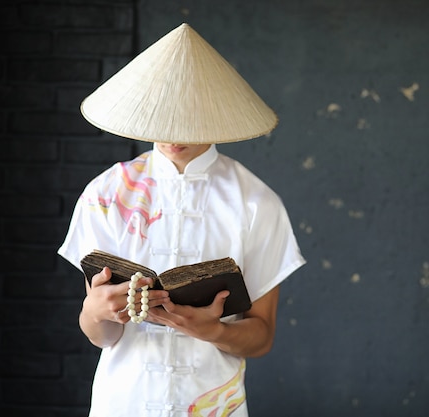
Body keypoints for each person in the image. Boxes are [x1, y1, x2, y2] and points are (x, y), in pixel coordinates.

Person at [58, 23, 305, 416]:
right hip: (123, 402)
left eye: (188, 117)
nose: (174, 133)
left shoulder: (257, 203)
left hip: (212, 403)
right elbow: (102, 336)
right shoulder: (106, 195)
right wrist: (94, 312)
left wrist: (215, 331)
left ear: (214, 112)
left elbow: (261, 336)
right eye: (164, 116)